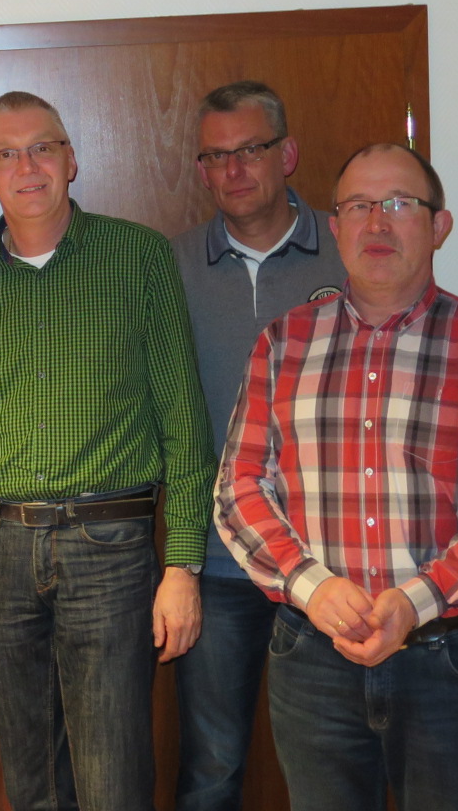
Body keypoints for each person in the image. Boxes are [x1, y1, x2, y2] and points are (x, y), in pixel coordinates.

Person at [217, 143, 458, 811]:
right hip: (313, 660)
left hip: (450, 662)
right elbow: (239, 487)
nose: (376, 223)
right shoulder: (283, 344)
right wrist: (312, 586)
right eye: (358, 206)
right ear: (335, 227)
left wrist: (416, 601)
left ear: (439, 225)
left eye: (399, 204)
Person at [0, 91, 214, 811]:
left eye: (42, 148)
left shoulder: (137, 257)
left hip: (108, 546)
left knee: (113, 778)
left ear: (70, 160)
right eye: (5, 154)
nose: (27, 167)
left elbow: (183, 421)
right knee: (31, 779)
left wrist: (183, 565)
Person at [168, 82, 344, 811]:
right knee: (212, 769)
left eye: (251, 150)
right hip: (218, 563)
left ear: (287, 153)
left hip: (333, 561)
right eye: (216, 156)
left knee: (334, 769)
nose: (234, 170)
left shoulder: (349, 248)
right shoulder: (169, 265)